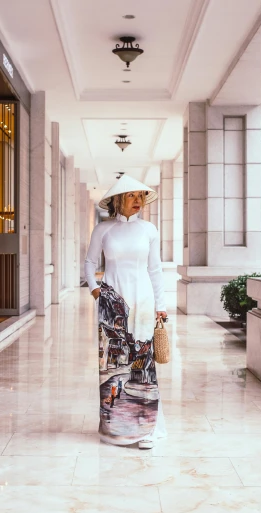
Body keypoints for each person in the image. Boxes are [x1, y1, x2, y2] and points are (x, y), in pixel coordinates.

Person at [84, 176, 168, 450]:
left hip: (143, 300)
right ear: (118, 200)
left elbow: (155, 270)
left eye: (141, 196)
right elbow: (89, 262)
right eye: (131, 196)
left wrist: (161, 305)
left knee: (143, 365)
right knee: (113, 365)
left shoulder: (149, 230)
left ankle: (148, 429)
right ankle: (115, 427)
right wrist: (96, 291)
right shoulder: (104, 230)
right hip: (112, 303)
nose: (137, 201)